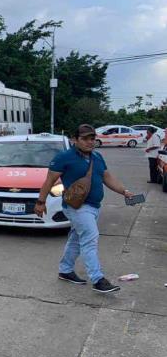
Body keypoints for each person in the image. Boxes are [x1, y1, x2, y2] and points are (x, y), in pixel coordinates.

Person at [35, 124, 133, 294]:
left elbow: (107, 178)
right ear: (75, 140)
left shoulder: (97, 157)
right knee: (90, 237)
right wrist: (40, 202)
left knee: (75, 239)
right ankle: (97, 279)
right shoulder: (64, 157)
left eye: (92, 138)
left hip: (94, 206)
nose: (90, 142)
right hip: (77, 207)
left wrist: (124, 191)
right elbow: (49, 181)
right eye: (85, 139)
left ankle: (65, 270)